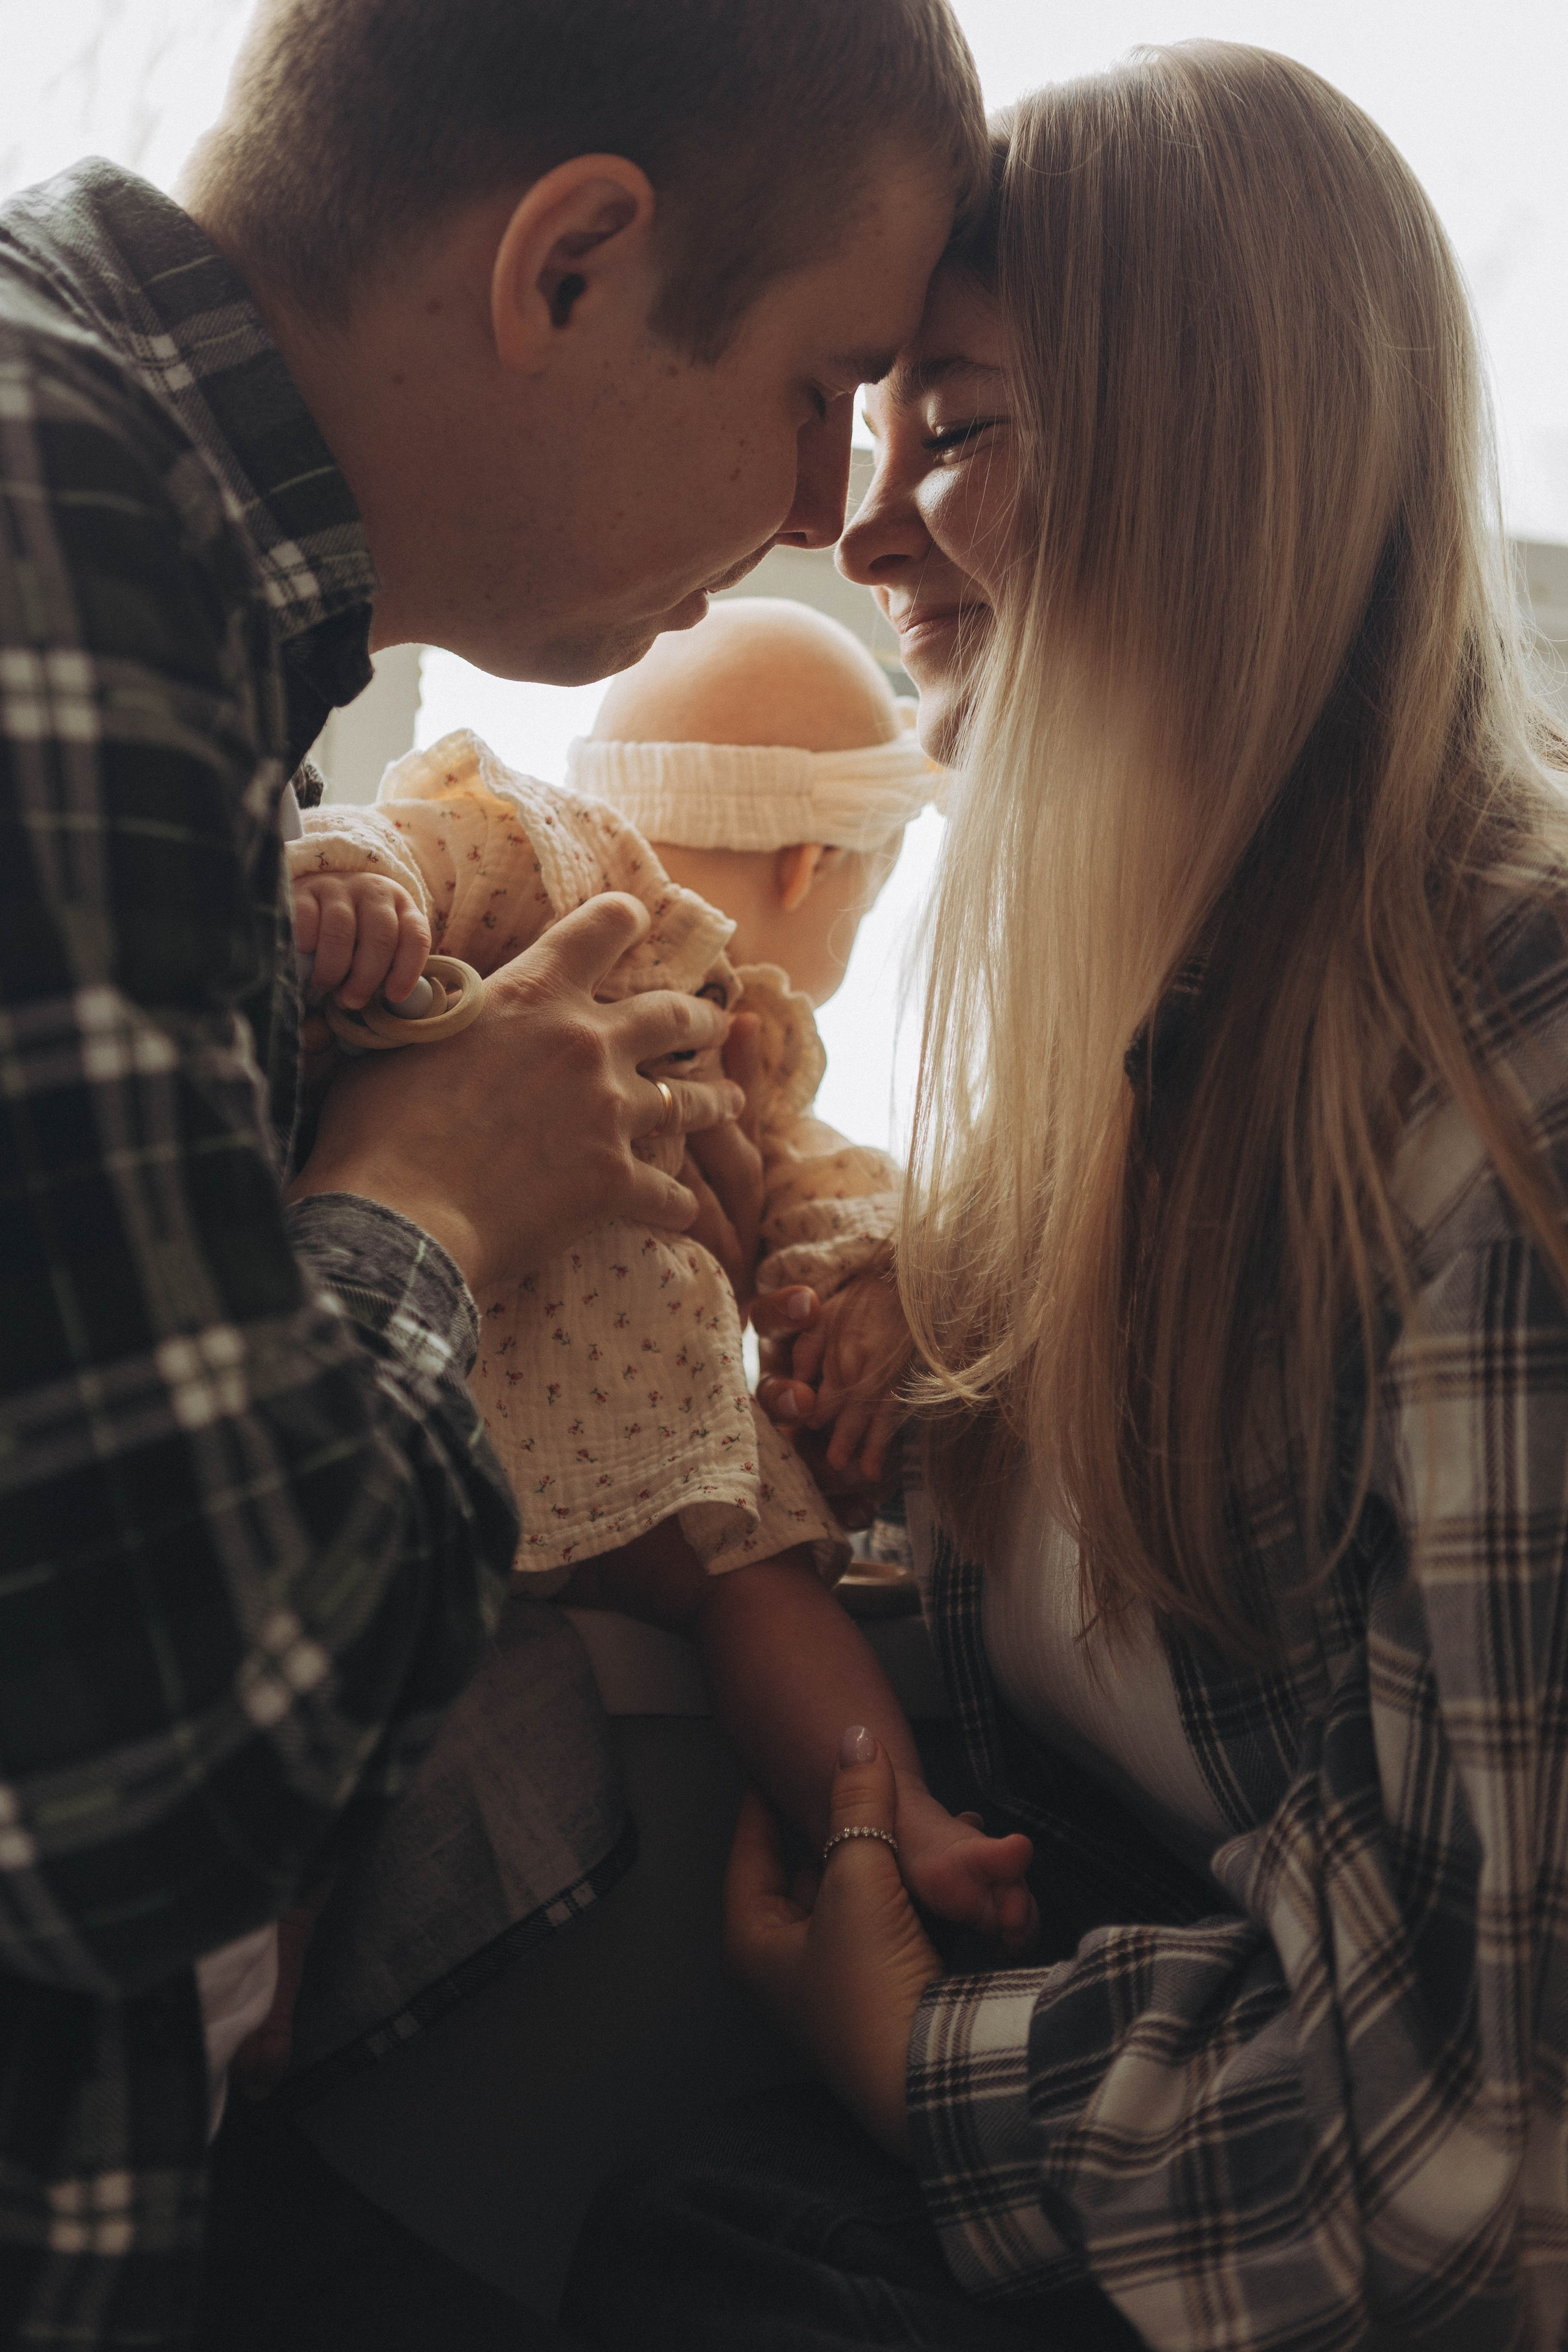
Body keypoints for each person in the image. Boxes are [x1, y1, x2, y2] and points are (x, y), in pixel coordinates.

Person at [565, 41, 1568, 2352]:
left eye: (953, 430)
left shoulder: (1508, 1073)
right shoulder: (1145, 1027)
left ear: (1207, 466)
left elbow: (1487, 2153)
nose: (864, 530)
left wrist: (912, 2062)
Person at [0, 0, 986, 2341]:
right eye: (825, 377)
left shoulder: (146, 549)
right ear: (568, 268)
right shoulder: (68, 572)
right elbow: (171, 1756)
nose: (837, 510)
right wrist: (437, 1197)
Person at [283, 599, 1034, 1942]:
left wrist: (853, 1300)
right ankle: (884, 1818)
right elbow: (401, 844)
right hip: (450, 1370)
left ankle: (271, 1928)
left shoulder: (753, 1039)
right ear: (816, 869)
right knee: (763, 1594)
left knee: (715, 1575)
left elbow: (831, 1202)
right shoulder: (566, 860)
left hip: (615, 1437)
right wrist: (342, 872)